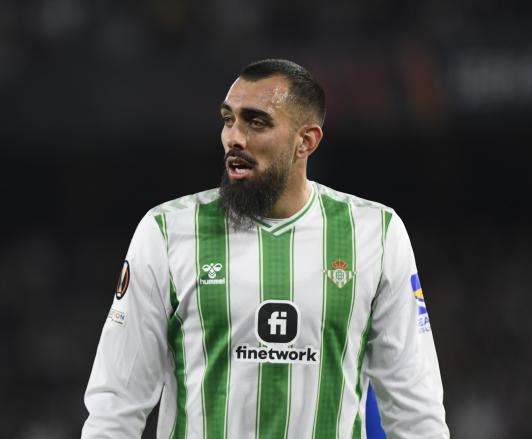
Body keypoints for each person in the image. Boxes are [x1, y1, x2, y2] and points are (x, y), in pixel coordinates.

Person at [81, 59, 449, 439]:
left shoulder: (377, 234)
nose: (233, 138)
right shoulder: (166, 232)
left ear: (306, 141)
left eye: (256, 122)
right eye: (228, 119)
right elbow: (116, 402)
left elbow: (414, 407)